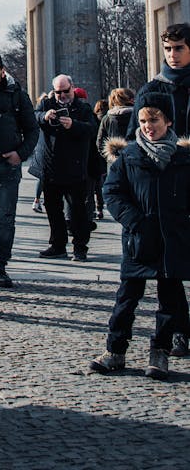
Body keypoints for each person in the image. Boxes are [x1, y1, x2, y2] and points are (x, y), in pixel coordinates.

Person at [90, 92, 190, 379]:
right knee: (126, 298)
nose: (149, 126)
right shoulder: (129, 155)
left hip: (172, 238)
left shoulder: (183, 158)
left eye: (155, 120)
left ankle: (160, 352)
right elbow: (113, 191)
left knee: (169, 300)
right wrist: (133, 221)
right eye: (144, 120)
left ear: (168, 121)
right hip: (139, 238)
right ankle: (115, 350)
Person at [127, 22, 190, 357]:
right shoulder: (153, 88)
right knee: (171, 269)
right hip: (164, 191)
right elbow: (129, 141)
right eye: (167, 49)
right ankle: (180, 330)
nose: (172, 55)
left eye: (178, 48)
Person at [0, 50, 38, 288]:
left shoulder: (17, 95)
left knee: (5, 218)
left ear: (2, 70)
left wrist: (20, 154)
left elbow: (32, 130)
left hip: (6, 167)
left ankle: (0, 267)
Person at [33, 74, 98, 262]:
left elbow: (92, 129)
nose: (62, 95)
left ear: (73, 88)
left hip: (75, 168)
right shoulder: (46, 104)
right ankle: (58, 245)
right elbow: (33, 118)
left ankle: (80, 248)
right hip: (50, 166)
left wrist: (74, 125)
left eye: (65, 91)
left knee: (78, 210)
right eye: (58, 92)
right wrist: (44, 117)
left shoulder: (83, 108)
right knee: (52, 209)